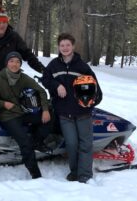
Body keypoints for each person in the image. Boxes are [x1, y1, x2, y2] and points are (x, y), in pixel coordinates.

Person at [42, 33, 103, 183]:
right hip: (64, 114)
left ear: (73, 46)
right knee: (71, 144)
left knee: (85, 144)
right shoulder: (54, 65)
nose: (65, 48)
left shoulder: (82, 66)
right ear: (59, 47)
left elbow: (98, 92)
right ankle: (74, 171)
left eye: (68, 45)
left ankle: (85, 174)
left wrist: (89, 102)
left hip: (83, 114)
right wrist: (56, 85)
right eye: (62, 45)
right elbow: (46, 79)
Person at [0, 51, 53, 179]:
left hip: (22, 112)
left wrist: (45, 110)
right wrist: (4, 104)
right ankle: (36, 175)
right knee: (24, 142)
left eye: (18, 62)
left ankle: (36, 140)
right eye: (12, 61)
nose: (15, 64)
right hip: (8, 116)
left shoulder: (23, 78)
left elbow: (40, 91)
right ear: (7, 63)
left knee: (51, 116)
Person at [0, 9, 45, 80]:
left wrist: (44, 71)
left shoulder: (14, 37)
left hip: (9, 81)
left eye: (4, 22)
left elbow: (28, 55)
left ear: (7, 23)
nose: (2, 25)